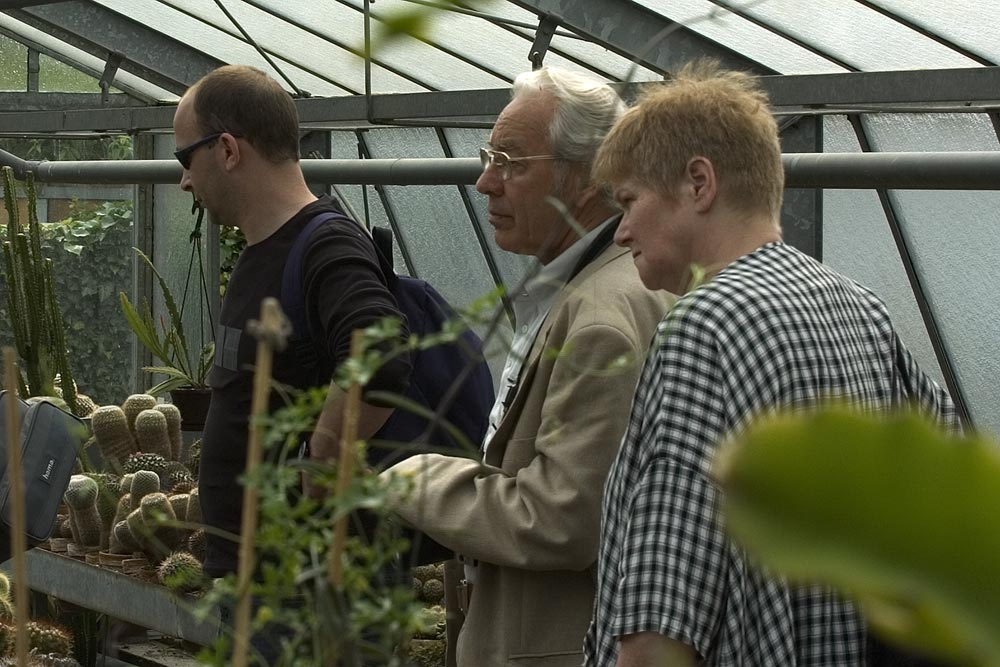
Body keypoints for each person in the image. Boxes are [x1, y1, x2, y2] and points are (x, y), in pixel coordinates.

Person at [583, 61, 960, 667]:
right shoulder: (858, 306)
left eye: (629, 201)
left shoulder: (704, 327)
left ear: (698, 184)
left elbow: (658, 625)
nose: (622, 231)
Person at [380, 67, 673, 667]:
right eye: (490, 157)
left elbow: (562, 517)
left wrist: (414, 480)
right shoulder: (597, 286)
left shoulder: (599, 320)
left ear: (589, 178)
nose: (486, 182)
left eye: (511, 162)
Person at [172, 64, 411, 661]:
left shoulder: (325, 243)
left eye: (185, 159)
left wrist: (321, 455)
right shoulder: (265, 250)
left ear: (227, 150)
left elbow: (380, 354)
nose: (182, 181)